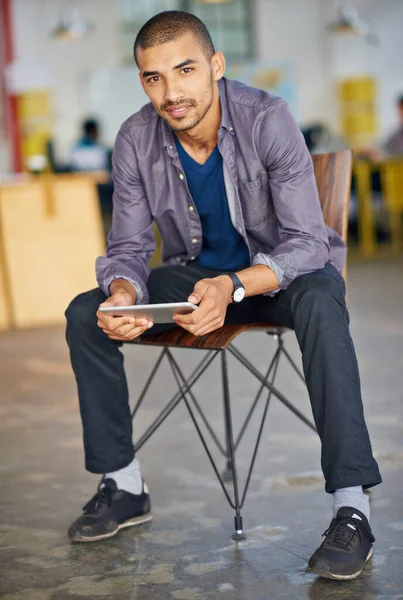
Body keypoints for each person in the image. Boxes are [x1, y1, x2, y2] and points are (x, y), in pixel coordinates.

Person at [65, 10, 381, 581]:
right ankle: (124, 483)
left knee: (322, 297)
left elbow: (309, 243)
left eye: (184, 70)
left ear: (216, 65)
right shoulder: (137, 137)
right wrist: (121, 293)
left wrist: (235, 284)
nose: (171, 92)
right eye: (153, 77)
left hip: (276, 280)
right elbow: (130, 245)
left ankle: (351, 506)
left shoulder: (267, 118)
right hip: (193, 281)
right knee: (86, 313)